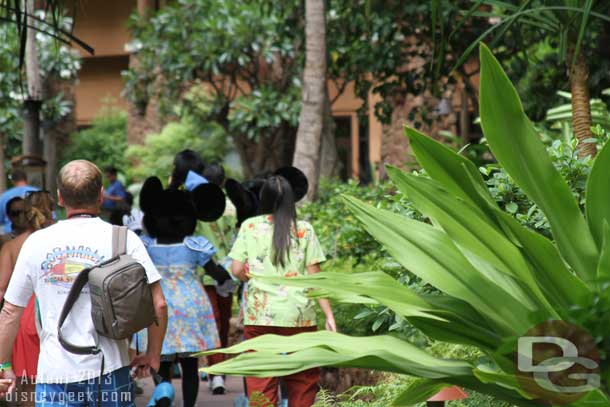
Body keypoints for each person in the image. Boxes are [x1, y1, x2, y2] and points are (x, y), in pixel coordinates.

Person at [0, 160, 168, 407]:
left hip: (55, 371)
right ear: (101, 195)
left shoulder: (36, 243)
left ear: (60, 198)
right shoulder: (123, 239)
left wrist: (4, 365)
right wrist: (153, 354)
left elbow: (10, 312)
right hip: (112, 368)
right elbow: (159, 304)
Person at [229, 175, 337, 407]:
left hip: (260, 316)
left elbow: (236, 268)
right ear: (291, 200)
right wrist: (328, 315)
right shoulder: (304, 230)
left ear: (264, 198)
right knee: (303, 381)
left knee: (261, 379)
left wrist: (248, 276)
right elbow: (315, 277)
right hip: (299, 318)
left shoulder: (250, 227)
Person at [0, 191, 54, 407]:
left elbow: (2, 290)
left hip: (22, 317)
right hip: (55, 313)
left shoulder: (12, 247)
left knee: (27, 387)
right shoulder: (57, 242)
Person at [0, 170, 37, 234]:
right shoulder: (38, 193)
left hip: (10, 234)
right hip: (34, 233)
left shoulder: (4, 196)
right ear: (26, 179)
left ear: (13, 181)